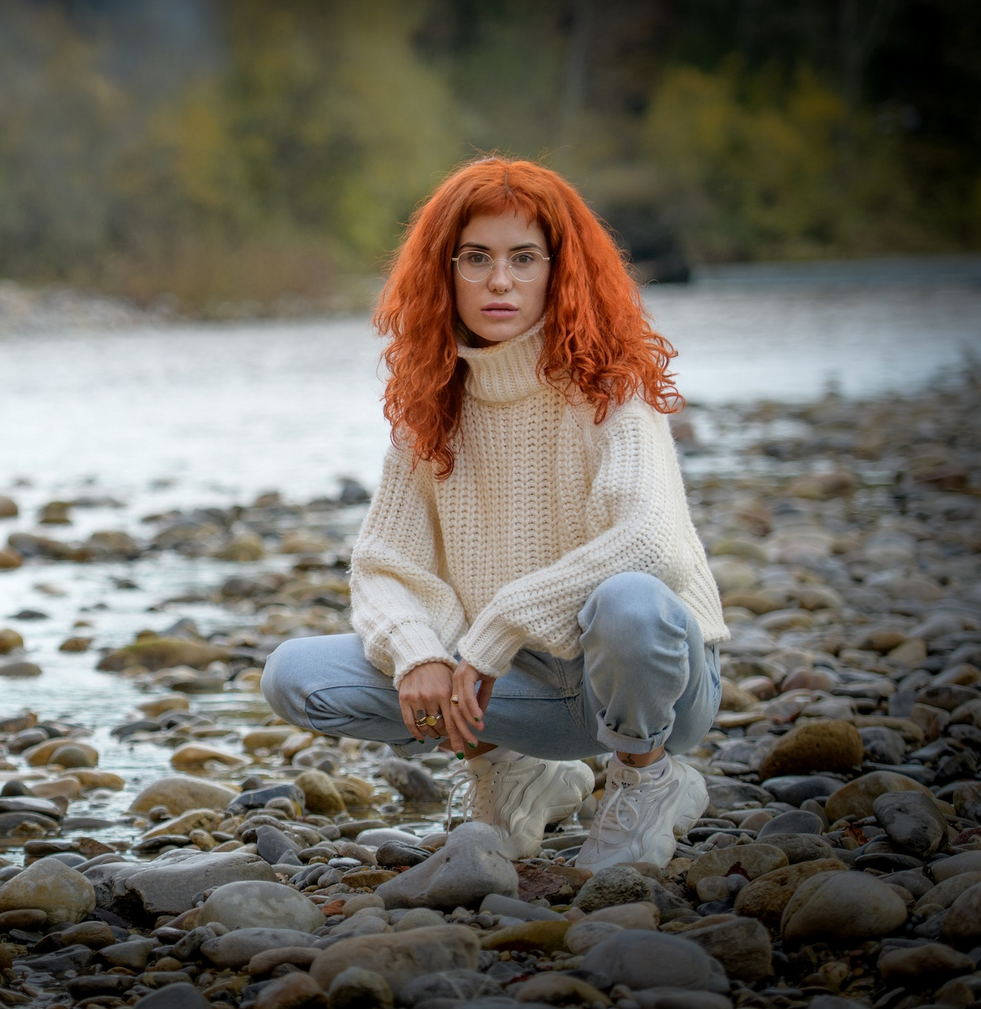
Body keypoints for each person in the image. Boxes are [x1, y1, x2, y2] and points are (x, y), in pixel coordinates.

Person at [261, 157, 728, 871]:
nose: (499, 281)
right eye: (476, 258)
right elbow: (383, 566)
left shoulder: (610, 389)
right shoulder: (431, 407)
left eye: (523, 258)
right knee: (296, 675)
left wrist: (495, 631)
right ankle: (514, 771)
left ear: (559, 269)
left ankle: (646, 778)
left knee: (629, 602)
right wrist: (419, 650)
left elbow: (651, 545)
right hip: (515, 695)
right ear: (444, 271)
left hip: (650, 683)